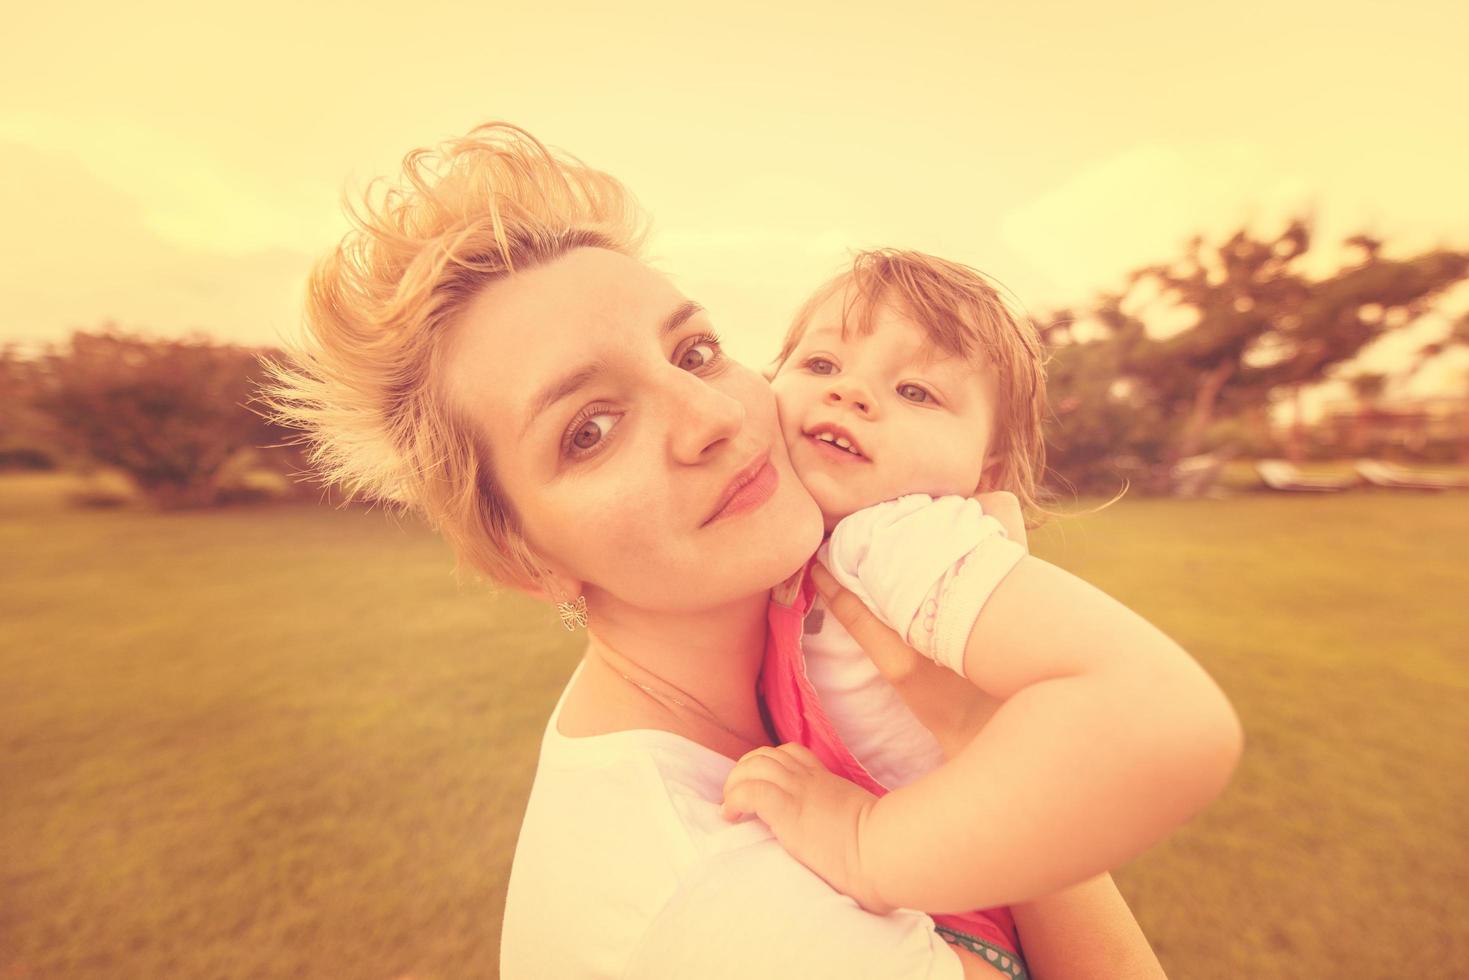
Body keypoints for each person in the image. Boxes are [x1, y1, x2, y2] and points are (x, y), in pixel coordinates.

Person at [263, 121, 1173, 978]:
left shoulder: (754, 687)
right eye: (591, 428)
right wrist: (992, 748)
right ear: (523, 558)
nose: (713, 416)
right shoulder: (725, 908)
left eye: (694, 352)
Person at [724, 251, 1245, 975]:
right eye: (819, 364)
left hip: (952, 929)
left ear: (984, 473)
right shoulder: (802, 541)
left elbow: (1159, 709)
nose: (851, 394)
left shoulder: (902, 537)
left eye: (915, 390)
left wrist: (866, 843)